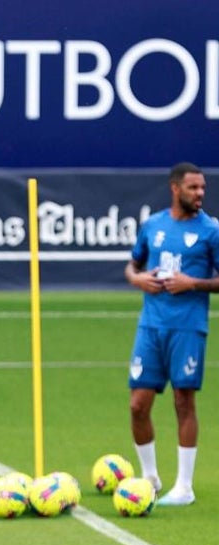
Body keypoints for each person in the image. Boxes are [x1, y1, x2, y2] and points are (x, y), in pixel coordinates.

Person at [125, 162, 219, 506]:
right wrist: (137, 280)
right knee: (138, 405)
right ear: (175, 189)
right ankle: (150, 478)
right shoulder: (153, 226)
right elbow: (132, 265)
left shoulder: (211, 231)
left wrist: (192, 283)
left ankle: (185, 486)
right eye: (193, 188)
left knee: (184, 401)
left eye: (203, 188)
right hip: (151, 326)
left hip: (188, 327)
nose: (200, 194)